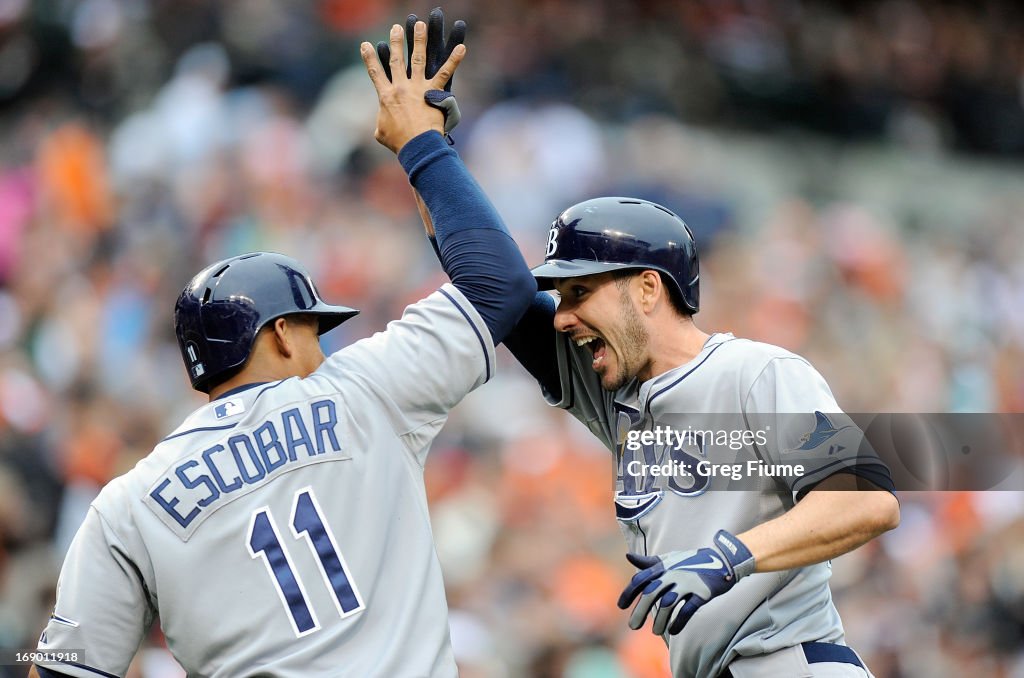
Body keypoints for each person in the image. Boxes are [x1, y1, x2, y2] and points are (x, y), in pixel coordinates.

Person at [31, 17, 534, 678]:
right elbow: (501, 284)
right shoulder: (363, 391)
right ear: (274, 334)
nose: (325, 347)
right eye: (312, 329)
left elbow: (66, 670)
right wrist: (424, 148)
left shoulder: (129, 502)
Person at [501, 198, 901, 677]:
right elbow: (494, 280)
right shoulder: (616, 397)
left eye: (579, 291)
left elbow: (866, 497)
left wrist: (728, 558)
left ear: (648, 289)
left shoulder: (755, 372)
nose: (562, 315)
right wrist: (422, 146)